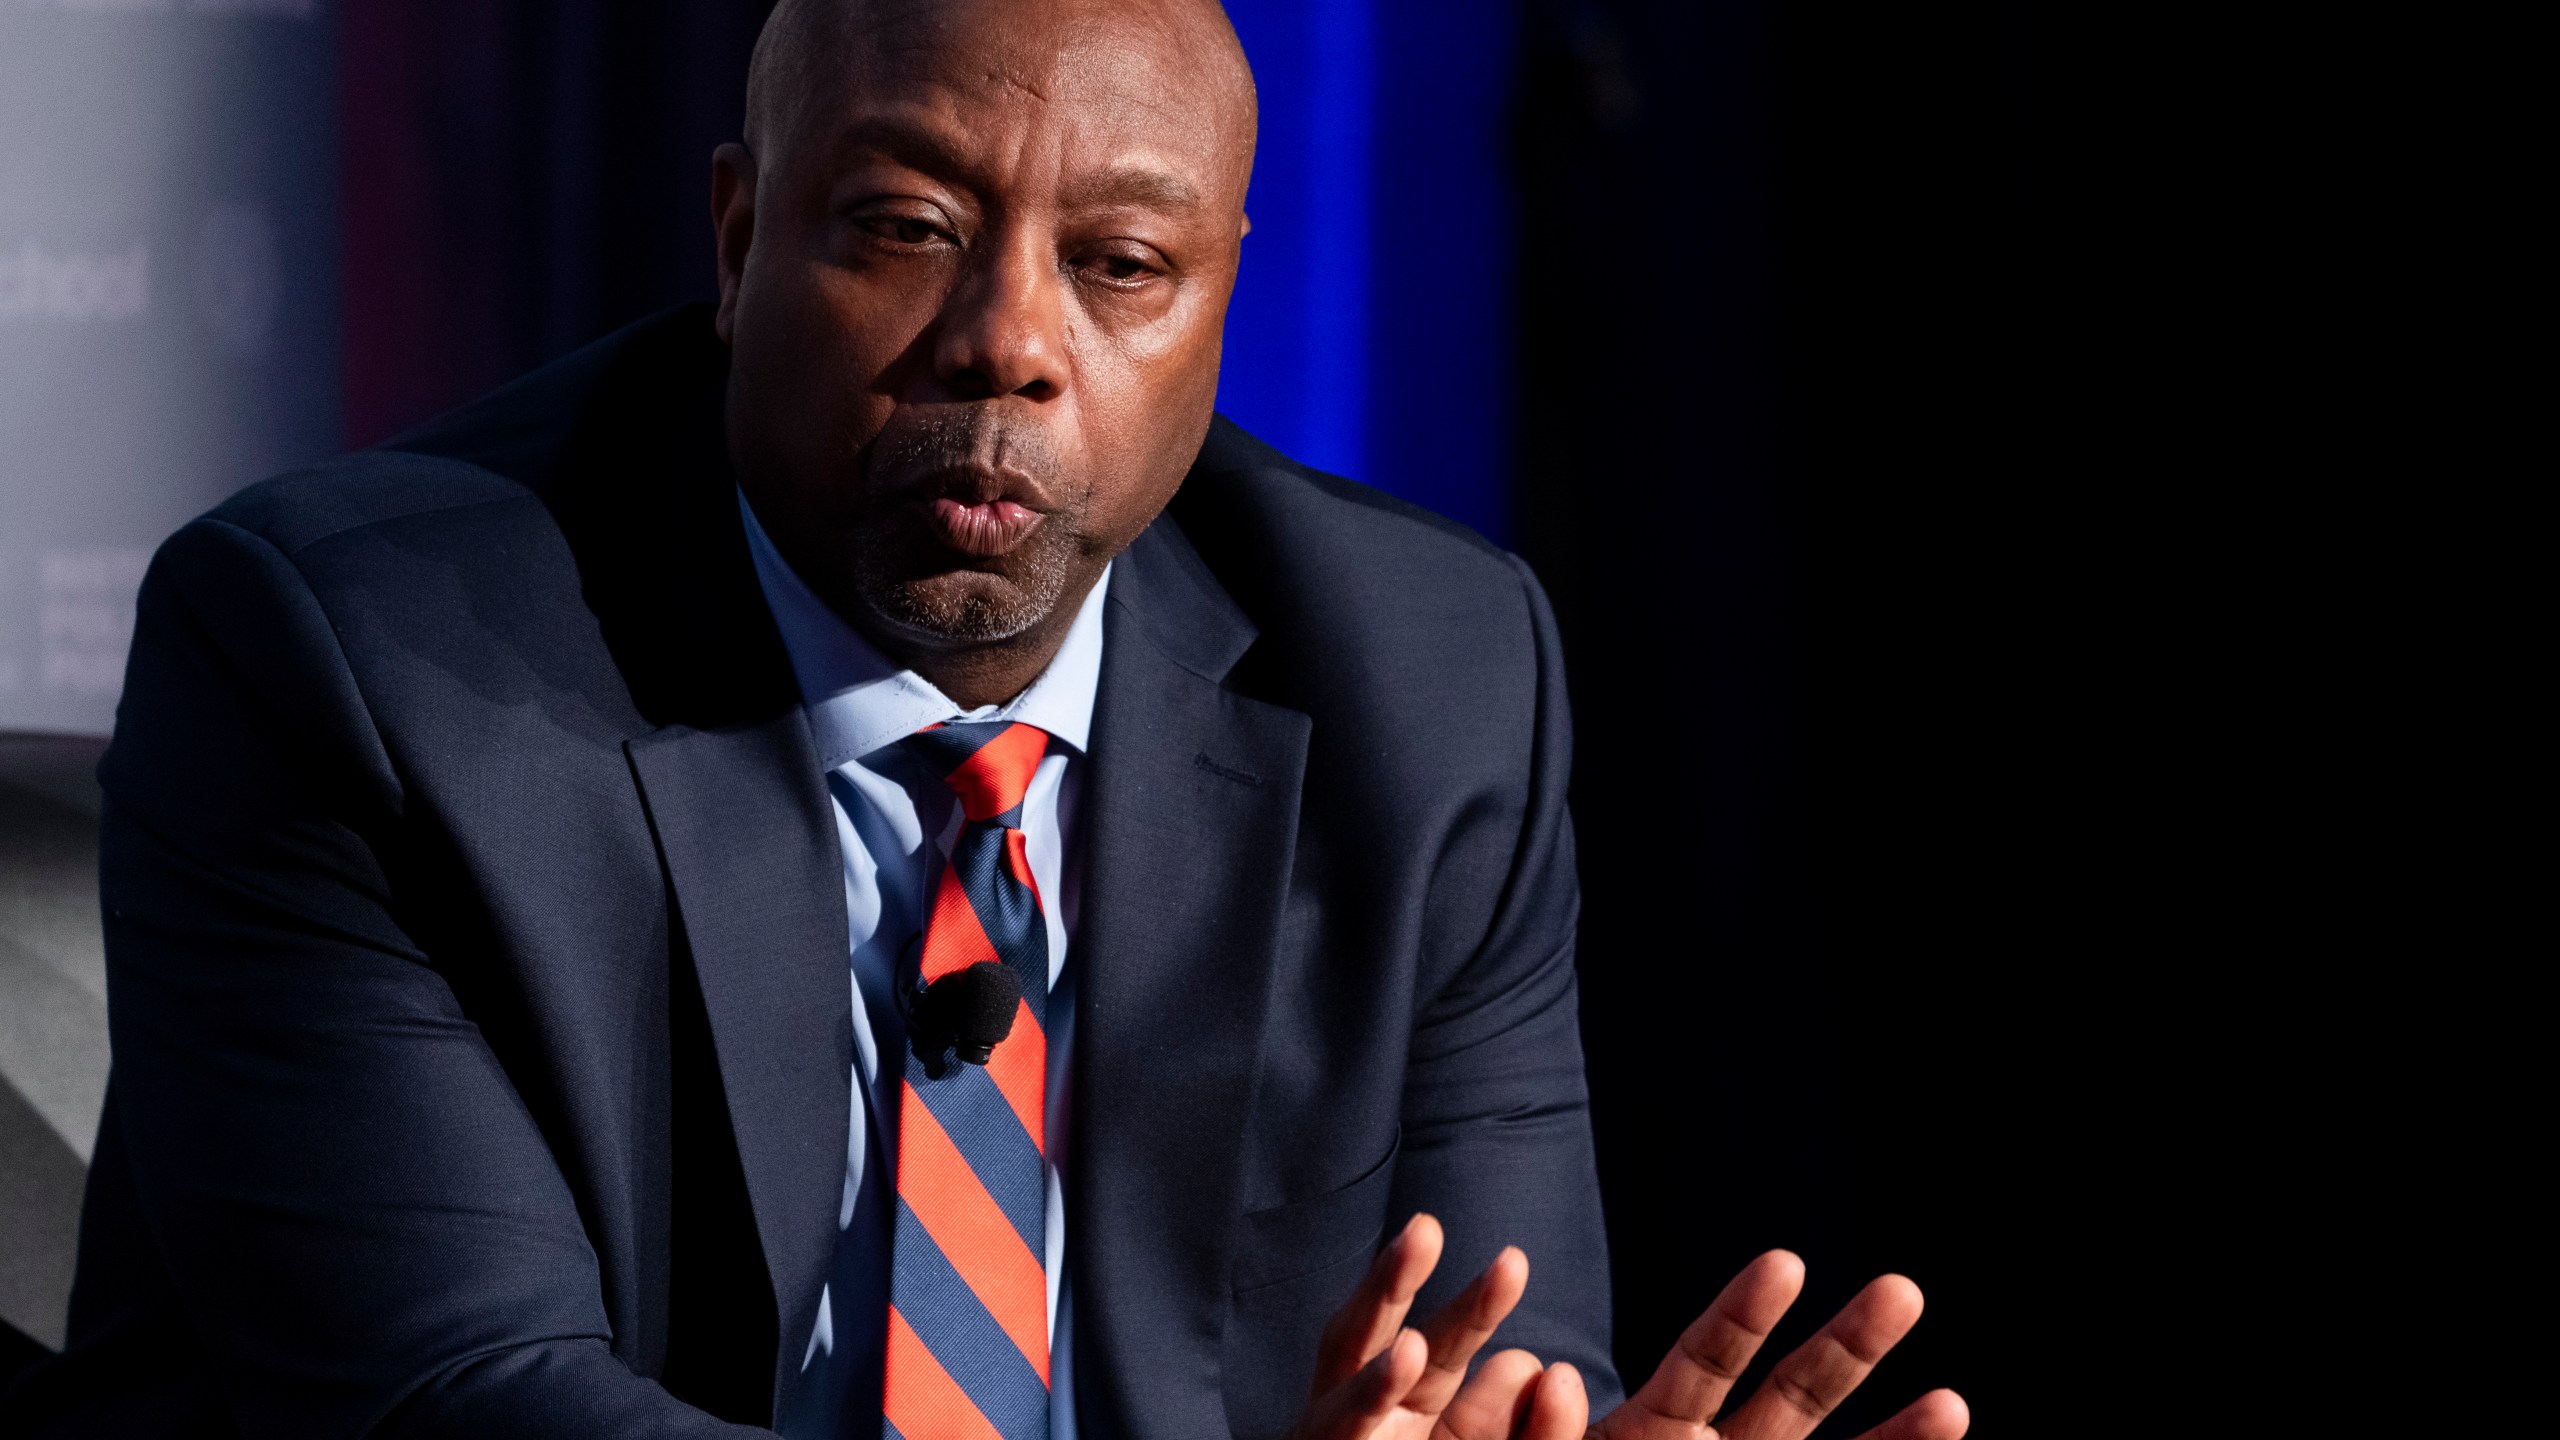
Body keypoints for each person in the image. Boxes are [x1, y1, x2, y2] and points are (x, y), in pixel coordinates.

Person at [2, 1, 1969, 1437]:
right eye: (906, 227)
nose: (1010, 341)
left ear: (1219, 300)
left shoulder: (1431, 685)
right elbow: (465, 1402)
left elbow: (1488, 1357)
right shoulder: (356, 666)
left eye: (1120, 266)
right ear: (736, 241)